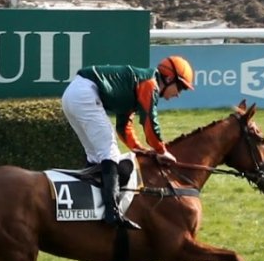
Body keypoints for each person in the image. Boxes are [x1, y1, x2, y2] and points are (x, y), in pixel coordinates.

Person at [61, 55, 195, 230]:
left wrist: (142, 150)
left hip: (73, 94)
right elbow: (150, 123)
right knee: (109, 152)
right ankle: (112, 213)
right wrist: (162, 150)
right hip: (84, 93)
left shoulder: (138, 86)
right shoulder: (150, 84)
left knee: (95, 156)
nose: (178, 94)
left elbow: (124, 128)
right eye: (181, 87)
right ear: (169, 79)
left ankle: (89, 208)